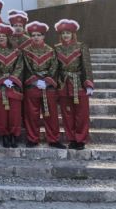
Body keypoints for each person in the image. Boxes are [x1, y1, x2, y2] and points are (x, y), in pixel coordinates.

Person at [22, 21, 65, 149]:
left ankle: (53, 139)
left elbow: (55, 67)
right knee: (31, 114)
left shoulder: (51, 51)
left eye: (39, 35)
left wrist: (46, 81)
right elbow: (26, 68)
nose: (36, 37)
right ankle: (32, 138)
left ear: (43, 36)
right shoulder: (25, 51)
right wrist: (35, 81)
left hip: (48, 87)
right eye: (33, 35)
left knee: (51, 114)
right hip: (32, 86)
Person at [54, 19, 93, 150]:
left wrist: (88, 83)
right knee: (67, 114)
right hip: (64, 84)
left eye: (68, 33)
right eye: (63, 33)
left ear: (73, 34)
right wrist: (55, 84)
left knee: (82, 113)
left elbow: (86, 66)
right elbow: (55, 68)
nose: (65, 35)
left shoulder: (81, 46)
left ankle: (81, 139)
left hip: (79, 84)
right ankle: (72, 139)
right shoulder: (56, 48)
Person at [0, 24, 23, 148]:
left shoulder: (16, 51)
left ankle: (14, 136)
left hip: (13, 86)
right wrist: (2, 79)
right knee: (1, 113)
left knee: (14, 113)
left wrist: (12, 79)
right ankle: (4, 136)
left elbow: (19, 67)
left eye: (4, 36)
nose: (1, 38)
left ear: (8, 37)